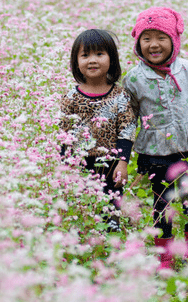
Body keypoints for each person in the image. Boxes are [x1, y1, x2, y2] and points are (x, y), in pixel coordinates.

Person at [122, 7, 188, 269]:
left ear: (174, 40)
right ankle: (166, 256)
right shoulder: (134, 78)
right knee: (162, 205)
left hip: (187, 149)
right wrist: (123, 158)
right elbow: (129, 118)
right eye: (146, 38)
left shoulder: (187, 69)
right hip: (155, 155)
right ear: (138, 43)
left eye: (161, 37)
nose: (154, 44)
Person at [59, 29, 137, 232]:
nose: (92, 60)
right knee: (81, 212)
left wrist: (122, 163)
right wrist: (65, 167)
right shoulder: (71, 97)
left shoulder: (121, 95)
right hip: (80, 163)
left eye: (99, 54)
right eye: (85, 55)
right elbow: (65, 135)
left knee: (111, 214)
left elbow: (126, 130)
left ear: (112, 59)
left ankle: (110, 251)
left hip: (111, 166)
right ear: (76, 62)